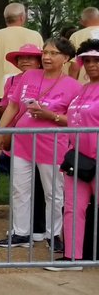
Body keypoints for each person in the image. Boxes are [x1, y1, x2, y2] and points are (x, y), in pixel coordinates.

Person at [0, 39, 80, 250]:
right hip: (22, 141)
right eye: (45, 52)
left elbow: (75, 120)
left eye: (53, 53)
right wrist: (1, 132)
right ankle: (21, 232)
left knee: (53, 192)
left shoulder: (73, 86)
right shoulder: (29, 76)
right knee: (19, 188)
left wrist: (50, 115)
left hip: (52, 144)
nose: (47, 57)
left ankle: (54, 234)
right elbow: (13, 106)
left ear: (66, 58)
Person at [54, 39, 99, 271]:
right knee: (72, 207)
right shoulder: (81, 90)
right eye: (87, 60)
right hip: (78, 161)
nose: (91, 65)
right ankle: (73, 257)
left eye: (96, 60)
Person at [0, 3, 45, 124]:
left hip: (0, 91)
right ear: (22, 18)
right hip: (30, 91)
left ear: (5, 19)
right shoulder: (35, 35)